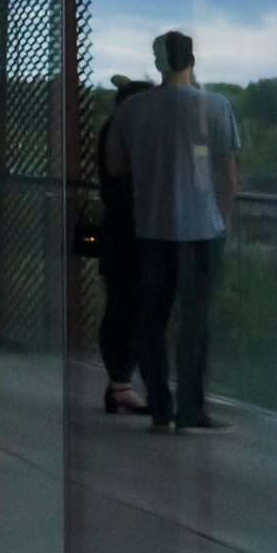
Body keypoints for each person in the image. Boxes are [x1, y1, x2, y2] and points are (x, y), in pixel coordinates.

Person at [106, 30, 240, 434]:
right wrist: (226, 219)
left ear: (158, 63)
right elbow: (227, 174)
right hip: (202, 230)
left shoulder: (132, 111)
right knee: (195, 324)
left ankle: (160, 408)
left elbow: (115, 166)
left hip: (151, 230)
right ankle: (192, 410)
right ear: (192, 60)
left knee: (152, 321)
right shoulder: (215, 106)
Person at [95, 77, 155, 416]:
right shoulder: (125, 135)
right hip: (130, 235)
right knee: (128, 309)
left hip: (120, 234)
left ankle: (119, 383)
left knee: (122, 306)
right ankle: (120, 385)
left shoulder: (113, 131)